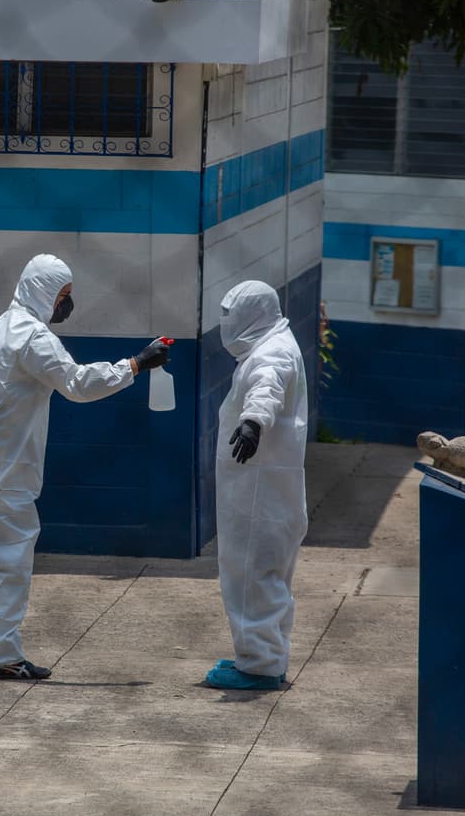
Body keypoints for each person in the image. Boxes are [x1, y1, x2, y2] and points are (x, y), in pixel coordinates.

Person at [0, 254, 171, 680]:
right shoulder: (32, 336)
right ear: (44, 291)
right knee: (11, 556)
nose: (67, 303)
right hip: (7, 468)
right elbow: (77, 384)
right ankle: (1, 655)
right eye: (63, 294)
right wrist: (136, 364)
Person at [206, 281, 308, 690]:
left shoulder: (272, 352)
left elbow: (268, 384)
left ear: (253, 315)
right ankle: (267, 655)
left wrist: (253, 421)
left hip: (258, 489)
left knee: (251, 574)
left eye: (231, 316)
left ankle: (259, 666)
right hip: (268, 483)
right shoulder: (275, 341)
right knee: (268, 574)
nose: (226, 325)